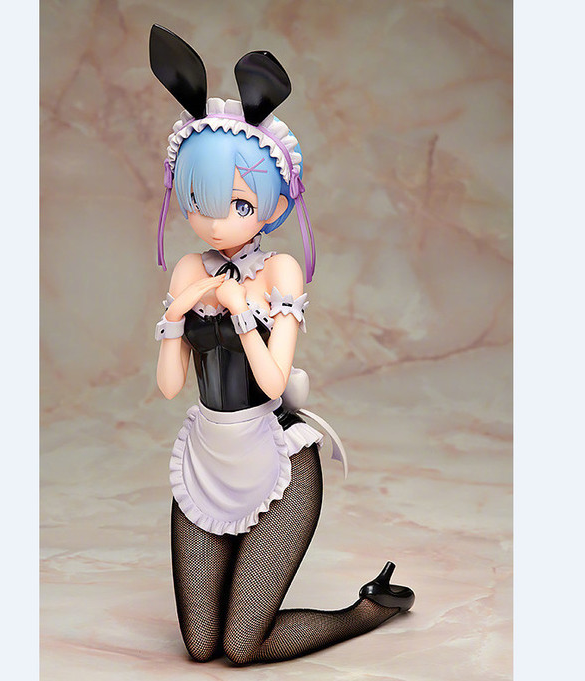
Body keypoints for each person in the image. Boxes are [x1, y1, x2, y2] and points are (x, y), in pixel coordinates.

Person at [150, 25, 414, 665]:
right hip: (209, 458)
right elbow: (169, 385)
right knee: (200, 647)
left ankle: (369, 609)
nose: (216, 221)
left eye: (238, 205)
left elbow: (273, 384)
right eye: (199, 201)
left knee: (241, 648)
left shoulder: (280, 272)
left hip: (276, 462)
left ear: (271, 206)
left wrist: (241, 309)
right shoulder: (187, 270)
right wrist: (178, 314)